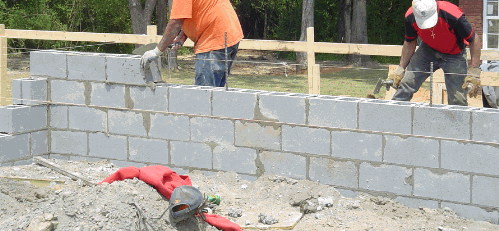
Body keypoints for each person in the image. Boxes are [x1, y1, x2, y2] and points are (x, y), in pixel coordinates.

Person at [388, 0, 482, 106]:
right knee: (407, 84)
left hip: (454, 54)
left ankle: (457, 121)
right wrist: (401, 69)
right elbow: (410, 42)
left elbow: (474, 39)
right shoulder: (410, 16)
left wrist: (474, 69)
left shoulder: (452, 14)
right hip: (428, 50)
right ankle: (394, 114)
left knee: (458, 99)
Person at [140, 0, 244, 87]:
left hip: (214, 40)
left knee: (203, 97)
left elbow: (175, 23)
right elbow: (201, 10)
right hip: (229, 35)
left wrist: (156, 52)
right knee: (215, 94)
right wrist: (183, 35)